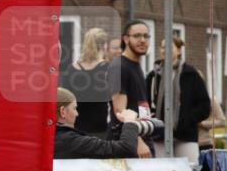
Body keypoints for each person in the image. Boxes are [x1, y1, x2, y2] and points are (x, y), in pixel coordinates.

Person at [147, 36, 211, 160]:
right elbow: (146, 103)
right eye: (163, 47)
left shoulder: (191, 74)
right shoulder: (153, 76)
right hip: (159, 136)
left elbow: (204, 106)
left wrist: (187, 120)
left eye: (170, 47)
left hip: (185, 136)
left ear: (179, 50)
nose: (165, 50)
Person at [54, 88, 162, 159]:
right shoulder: (71, 141)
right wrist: (130, 122)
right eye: (74, 108)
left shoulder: (43, 138)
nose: (77, 114)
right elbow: (125, 149)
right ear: (63, 111)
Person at [107, 21, 156, 157]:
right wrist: (138, 142)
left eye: (146, 36)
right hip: (128, 143)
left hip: (142, 135)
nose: (142, 40)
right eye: (137, 36)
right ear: (126, 39)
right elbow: (120, 112)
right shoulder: (119, 67)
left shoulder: (135, 64)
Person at [60, 27, 110, 137]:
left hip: (75, 130)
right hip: (100, 131)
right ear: (103, 45)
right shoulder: (107, 68)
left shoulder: (71, 68)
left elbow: (64, 99)